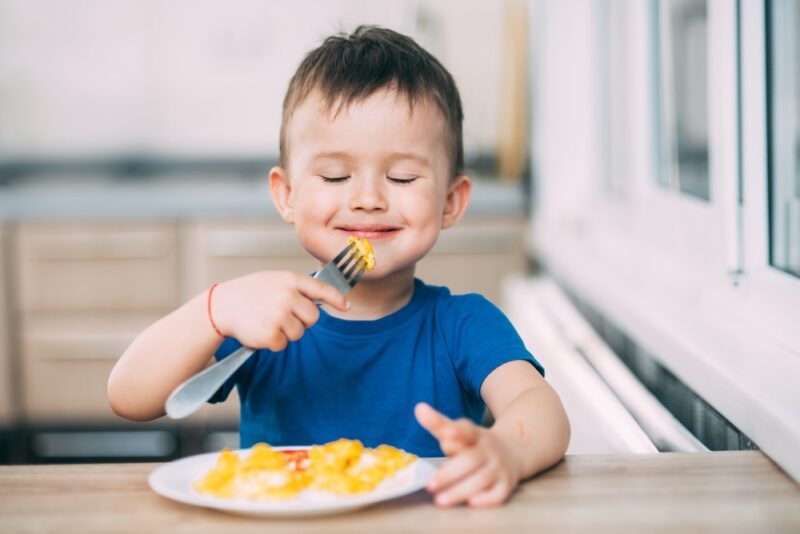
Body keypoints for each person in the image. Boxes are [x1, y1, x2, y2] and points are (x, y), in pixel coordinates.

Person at [108, 25, 569, 508]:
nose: (368, 199)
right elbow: (129, 396)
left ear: (451, 202)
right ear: (287, 196)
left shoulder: (463, 325)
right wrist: (215, 309)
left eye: (401, 177)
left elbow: (541, 408)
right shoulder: (262, 321)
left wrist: (506, 450)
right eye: (335, 175)